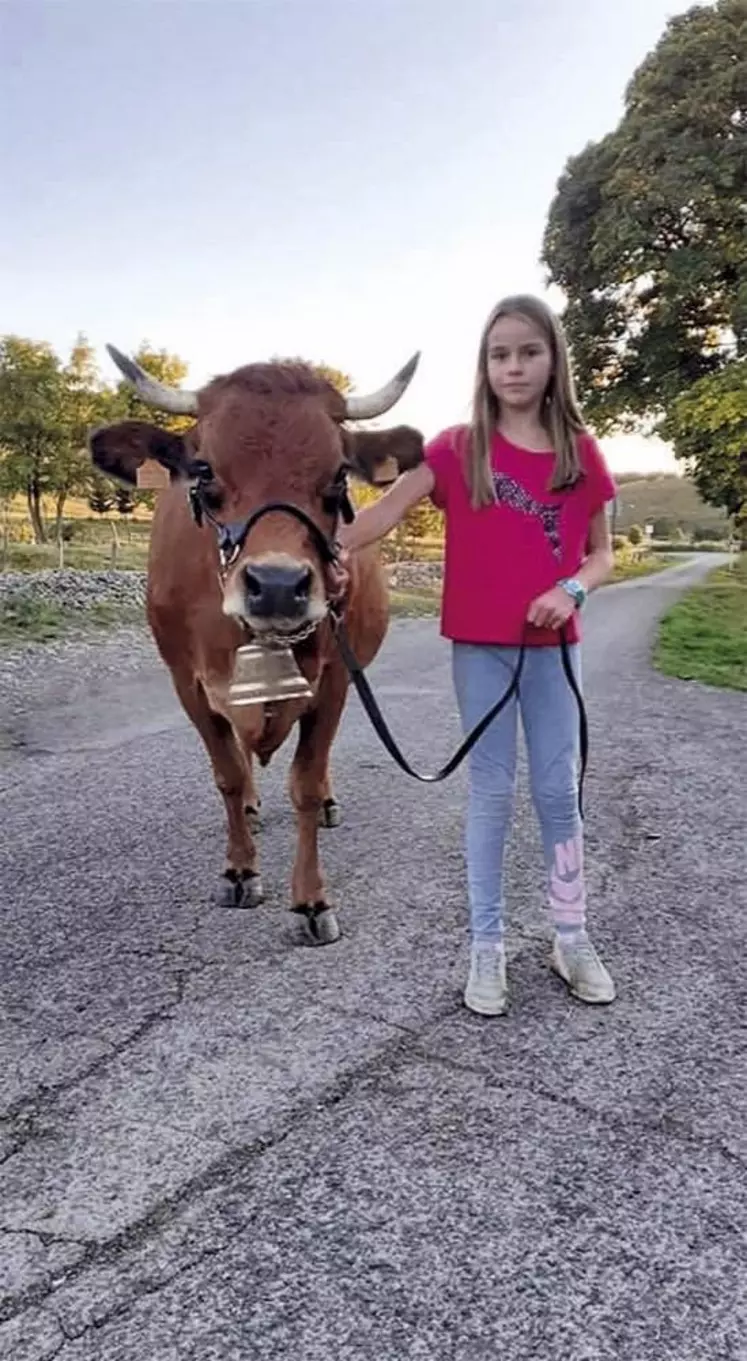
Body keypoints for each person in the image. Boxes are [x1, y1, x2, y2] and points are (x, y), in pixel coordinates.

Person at [336, 293, 618, 1017]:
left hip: (553, 650)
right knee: (490, 794)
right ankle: (485, 946)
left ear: (552, 358)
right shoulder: (456, 449)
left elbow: (601, 556)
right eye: (499, 354)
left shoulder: (580, 453)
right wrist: (321, 552)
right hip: (480, 652)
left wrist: (570, 592)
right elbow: (383, 514)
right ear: (484, 365)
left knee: (558, 795)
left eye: (527, 351)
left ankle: (570, 934)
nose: (513, 366)